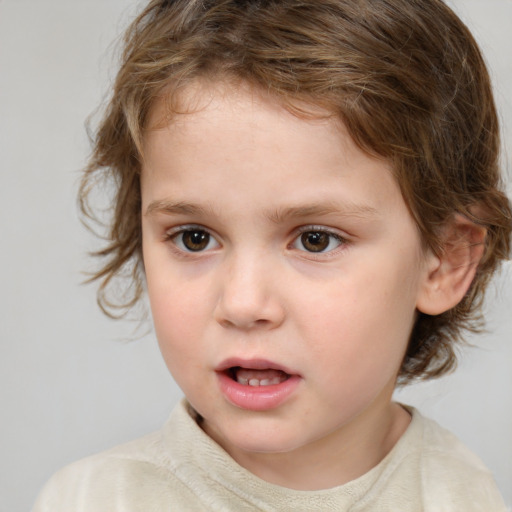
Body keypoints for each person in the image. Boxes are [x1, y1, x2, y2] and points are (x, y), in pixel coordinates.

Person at [33, 0, 511, 510]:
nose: (242, 303)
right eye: (195, 237)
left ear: (444, 260)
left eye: (315, 240)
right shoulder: (91, 500)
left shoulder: (464, 495)